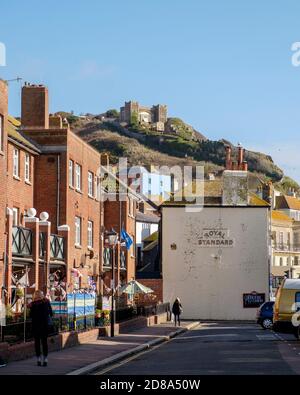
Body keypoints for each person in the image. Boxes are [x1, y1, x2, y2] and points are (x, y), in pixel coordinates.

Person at [29, 290, 53, 367]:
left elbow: (31, 315)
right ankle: (45, 359)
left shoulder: (32, 304)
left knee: (37, 343)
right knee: (44, 342)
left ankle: (38, 359)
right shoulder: (46, 302)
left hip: (36, 326)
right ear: (42, 295)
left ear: (35, 296)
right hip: (44, 325)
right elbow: (51, 313)